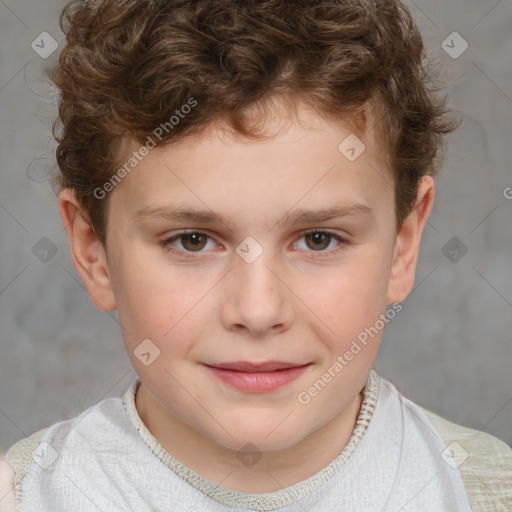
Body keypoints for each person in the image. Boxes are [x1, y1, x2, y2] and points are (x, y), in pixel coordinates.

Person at [1, 0, 511, 510]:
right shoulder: (28, 495)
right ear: (95, 252)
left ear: (403, 247)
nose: (259, 310)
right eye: (192, 240)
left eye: (319, 239)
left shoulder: (487, 490)